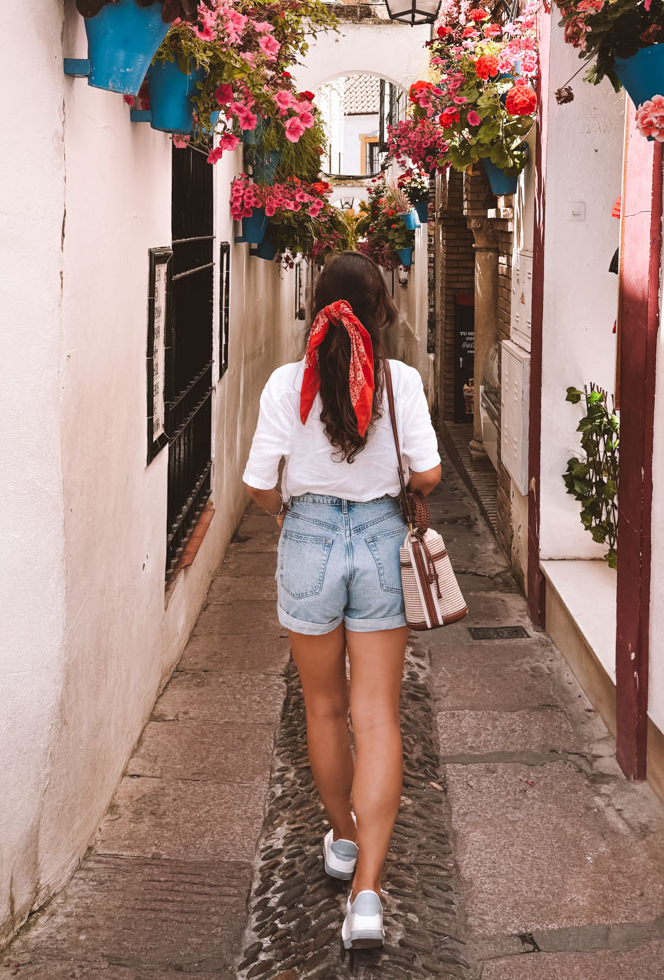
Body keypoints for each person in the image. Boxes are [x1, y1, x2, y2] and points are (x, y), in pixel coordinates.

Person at [243, 251, 441, 951]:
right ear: (381, 312)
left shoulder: (285, 384)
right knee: (378, 717)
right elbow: (431, 471)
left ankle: (345, 838)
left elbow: (260, 482)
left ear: (313, 309)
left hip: (308, 540)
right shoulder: (402, 381)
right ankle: (367, 899)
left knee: (322, 708)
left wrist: (287, 516)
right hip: (383, 543)